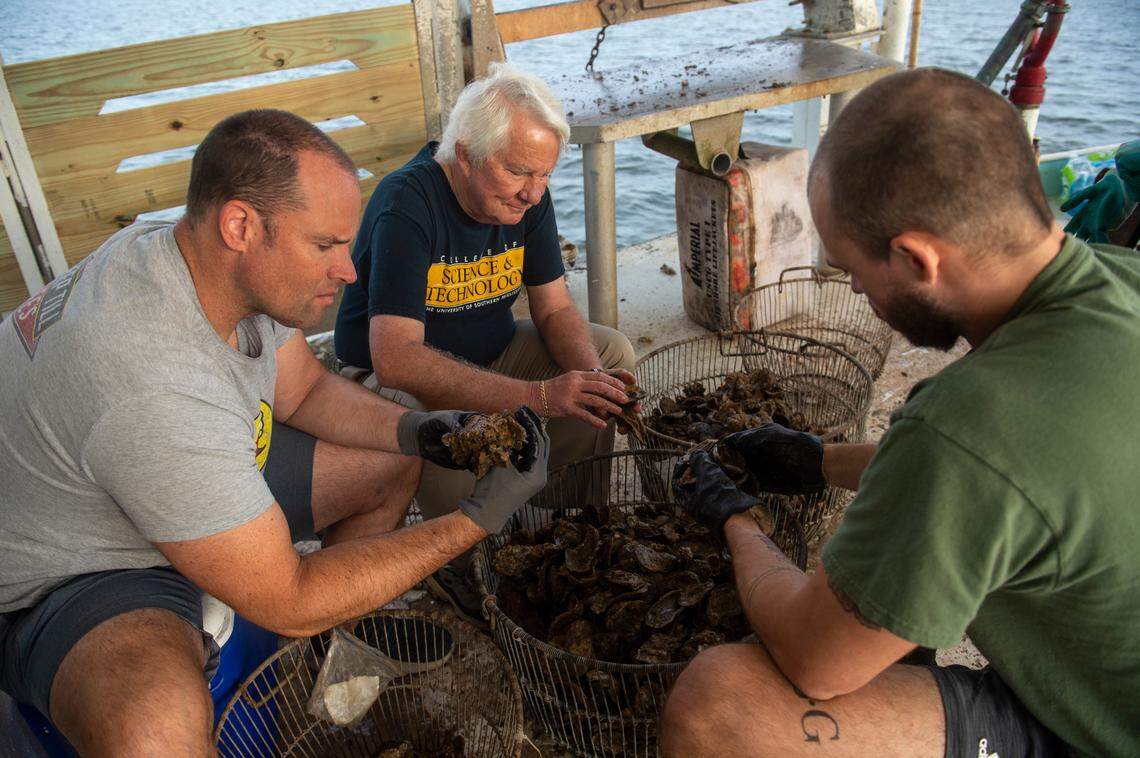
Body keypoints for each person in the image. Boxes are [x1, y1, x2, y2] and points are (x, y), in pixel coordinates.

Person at [0, 109, 548, 755]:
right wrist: (476, 520)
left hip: (173, 470)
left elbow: (306, 389)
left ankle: (329, 661)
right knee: (154, 732)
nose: (348, 271)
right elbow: (287, 595)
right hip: (73, 564)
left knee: (389, 460)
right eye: (325, 246)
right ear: (240, 225)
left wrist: (420, 431)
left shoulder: (198, 257)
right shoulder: (151, 383)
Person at [661, 68, 1140, 758]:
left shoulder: (967, 424)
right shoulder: (1119, 282)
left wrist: (736, 517)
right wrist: (818, 461)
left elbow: (815, 660)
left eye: (852, 269)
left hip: (1095, 733)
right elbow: (1024, 477)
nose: (855, 289)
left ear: (916, 258)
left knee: (720, 707)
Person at [334, 63, 636, 616]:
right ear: (466, 153)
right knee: (439, 425)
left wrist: (589, 379)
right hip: (387, 378)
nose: (533, 193)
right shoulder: (408, 202)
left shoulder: (529, 197)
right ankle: (460, 562)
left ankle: (563, 524)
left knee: (609, 353)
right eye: (520, 172)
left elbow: (554, 306)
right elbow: (396, 359)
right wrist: (539, 398)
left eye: (545, 175)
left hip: (491, 351)